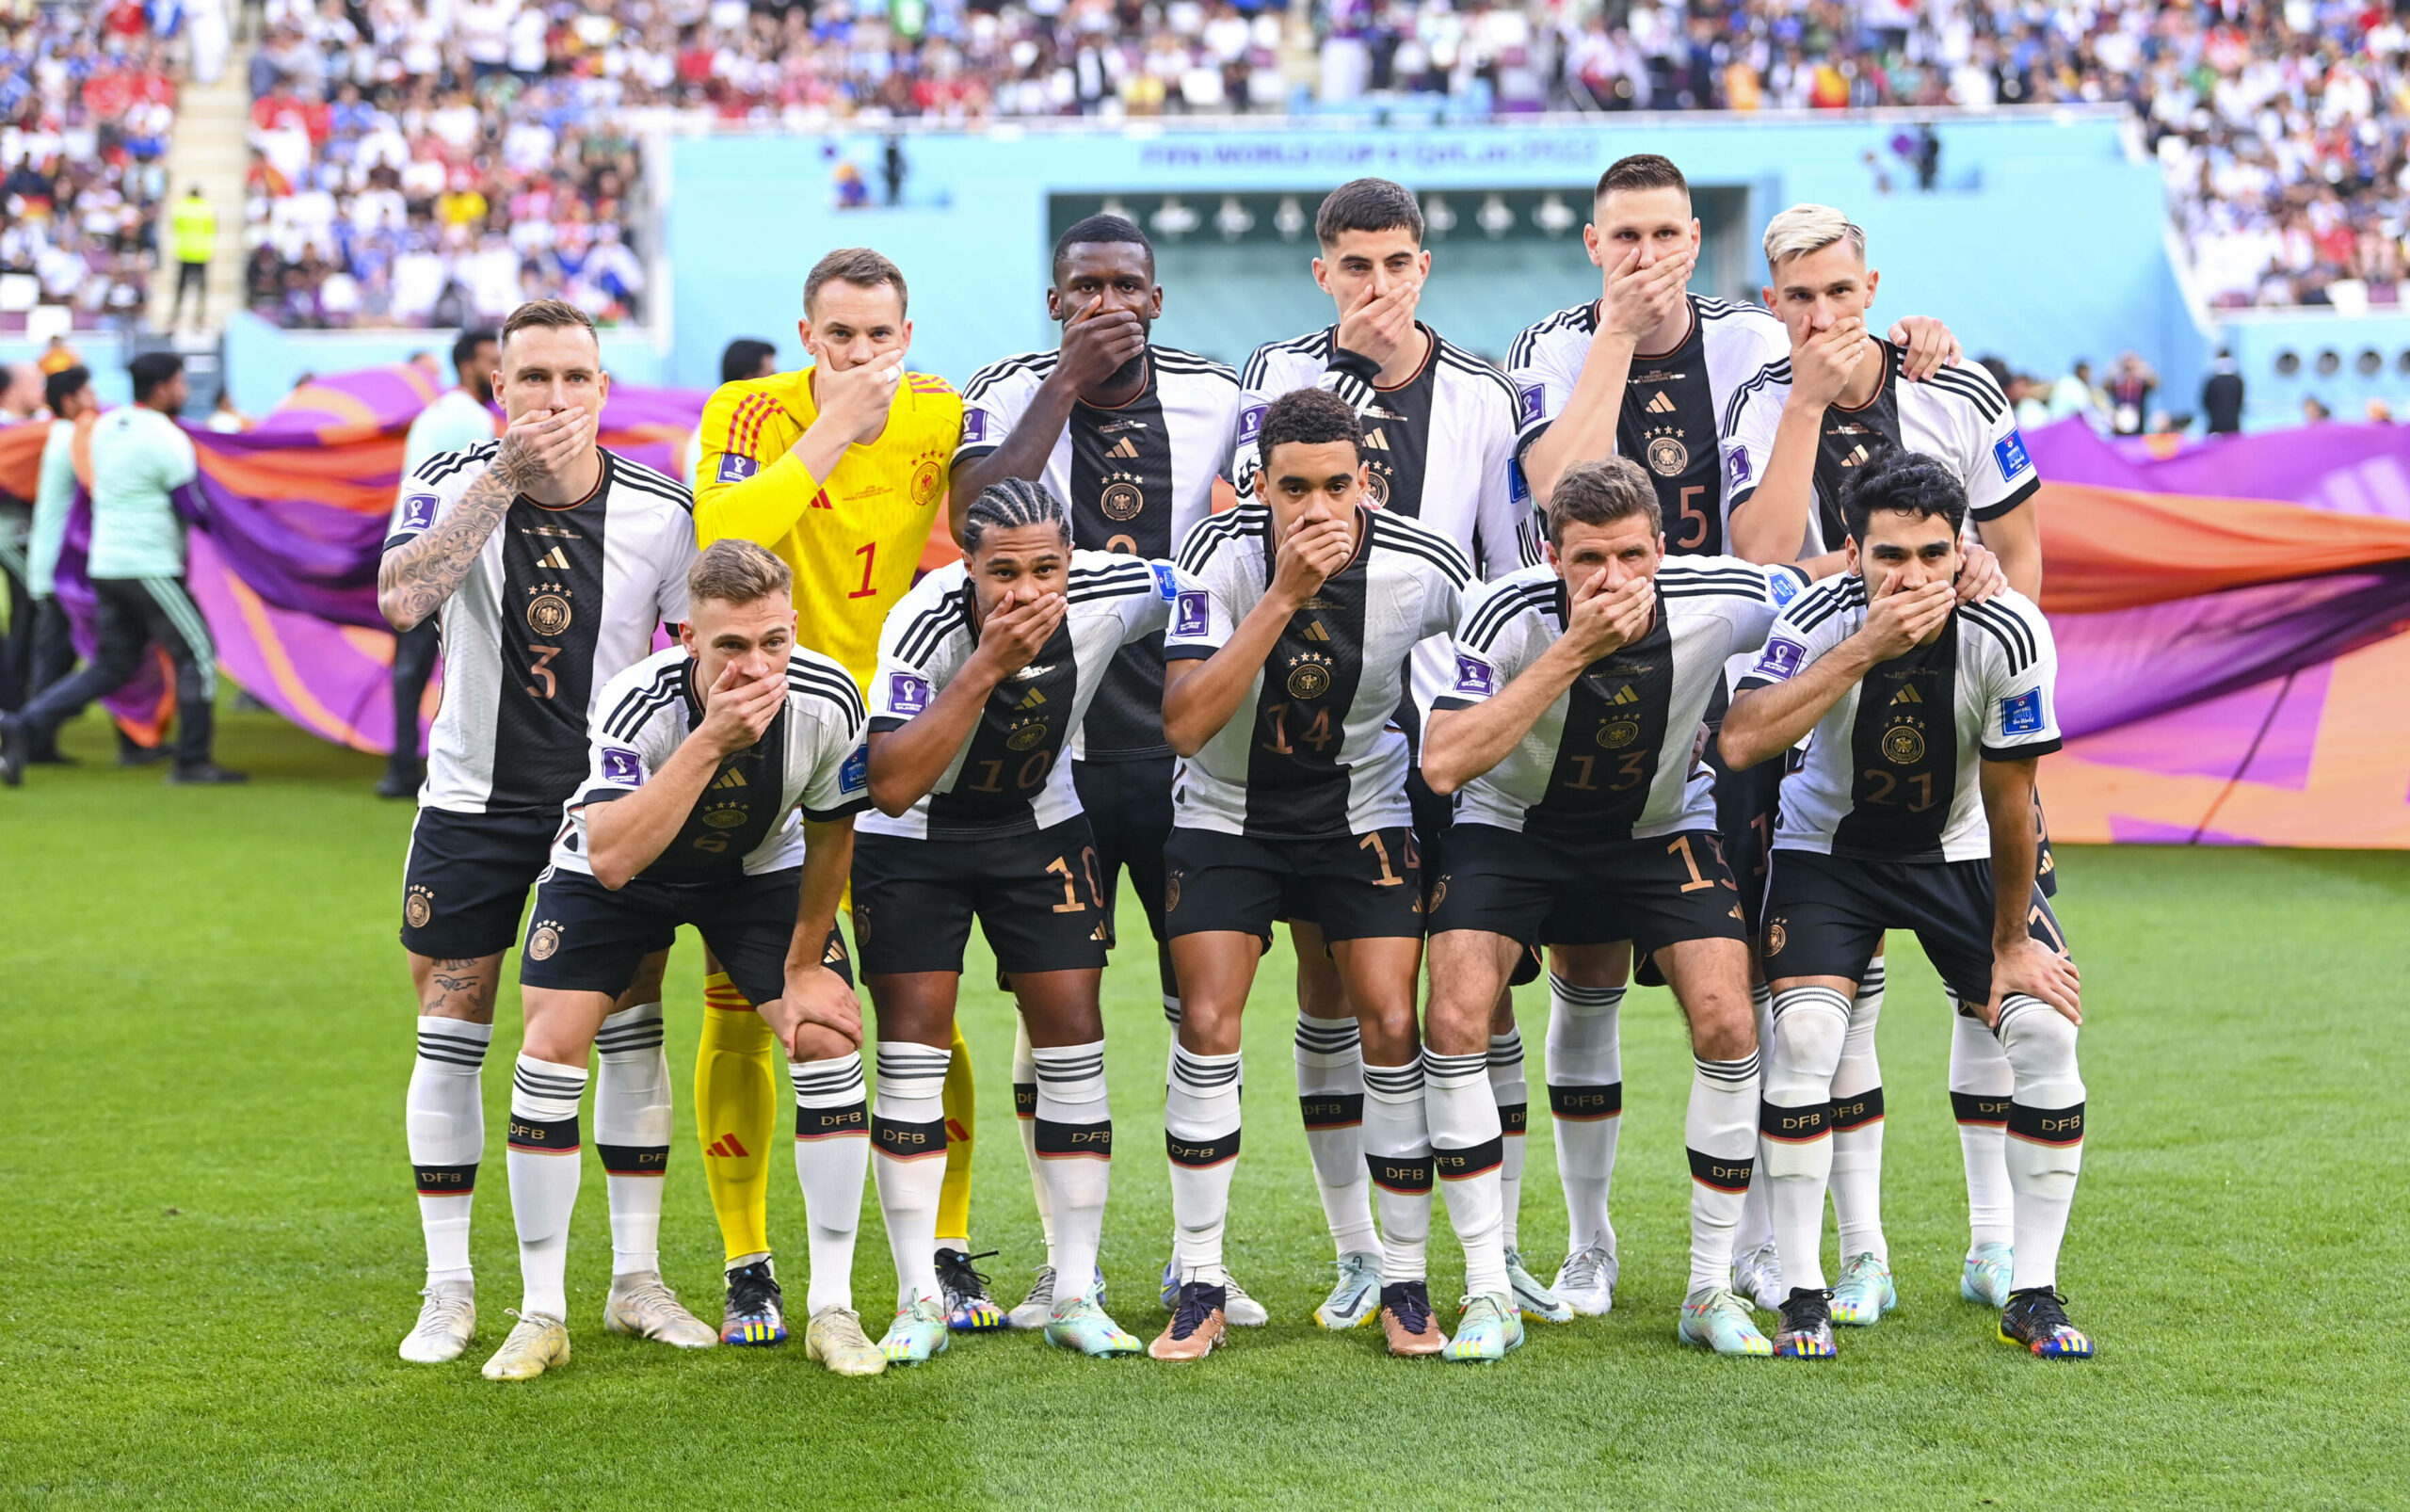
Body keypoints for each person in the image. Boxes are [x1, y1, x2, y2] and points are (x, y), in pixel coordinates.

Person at [1509, 156, 1962, 1317]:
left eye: (1665, 234)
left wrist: (1908, 340)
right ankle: (1590, 1243)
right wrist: (1618, 337)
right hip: (1597, 672)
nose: (1646, 256)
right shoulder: (1551, 345)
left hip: (1741, 678)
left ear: (1694, 238)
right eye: (1624, 236)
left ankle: (1765, 1241)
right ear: (1592, 245)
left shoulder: (1756, 340)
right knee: (1585, 967)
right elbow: (1557, 487)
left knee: (1764, 970)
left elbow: (1828, 399)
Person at [1237, 178, 1548, 1327]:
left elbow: (1507, 560)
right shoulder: (1274, 377)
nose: (1378, 285)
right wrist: (1347, 378)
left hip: (1447, 728)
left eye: (1397, 263)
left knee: (1476, 988)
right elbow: (1236, 521)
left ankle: (1496, 1246)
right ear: (1322, 272)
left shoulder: (1483, 393)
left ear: (1425, 266)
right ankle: (1358, 1248)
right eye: (1355, 266)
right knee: (1333, 980)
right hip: (1317, 728)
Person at [1721, 202, 2039, 1316]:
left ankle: (1994, 1244)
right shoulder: (1759, 402)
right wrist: (1807, 405)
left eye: (1839, 291)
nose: (1821, 315)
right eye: (1799, 298)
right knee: (1828, 1006)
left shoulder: (1960, 387)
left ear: (1871, 287)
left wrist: (1999, 663)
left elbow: (2019, 547)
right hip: (1814, 721)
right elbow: (1762, 564)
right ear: (1773, 305)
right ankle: (1859, 1254)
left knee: (1991, 991)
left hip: (1958, 719)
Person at [376, 298, 706, 1367]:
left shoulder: (661, 508)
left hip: (603, 813)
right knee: (451, 1027)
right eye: (533, 378)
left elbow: (694, 662)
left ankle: (635, 1280)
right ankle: (448, 1289)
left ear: (603, 390)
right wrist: (502, 480)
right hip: (470, 805)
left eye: (574, 378)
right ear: (499, 388)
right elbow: (401, 602)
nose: (554, 398)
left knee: (631, 1023)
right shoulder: (450, 479)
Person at [1421, 454, 1802, 1359]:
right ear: (1552, 556)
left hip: (1658, 826)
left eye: (1631, 555)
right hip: (1512, 827)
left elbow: (1826, 597)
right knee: (1455, 1017)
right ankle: (1493, 1285)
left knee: (1728, 1020)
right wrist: (1573, 651)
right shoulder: (1505, 612)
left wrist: (1968, 570)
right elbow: (1443, 762)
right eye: (1588, 558)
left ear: (1662, 550)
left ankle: (1709, 1288)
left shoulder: (1720, 597)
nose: (1612, 578)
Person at [949, 213, 1255, 1328]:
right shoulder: (1006, 389)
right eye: (1085, 287)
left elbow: (1259, 525)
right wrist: (1065, 386)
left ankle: (1196, 1259)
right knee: (1052, 1009)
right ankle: (1058, 1261)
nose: (1107, 303)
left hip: (1179, 750)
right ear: (1055, 301)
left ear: (1157, 300)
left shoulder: (1216, 394)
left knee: (1198, 1006)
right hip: (1052, 754)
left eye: (1127, 285)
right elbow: (971, 519)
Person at [1719, 447, 2091, 1362]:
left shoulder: (2009, 629)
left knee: (2045, 1032)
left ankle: (2031, 1290)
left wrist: (2012, 942)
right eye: (1890, 556)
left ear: (1962, 549)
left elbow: (2012, 800)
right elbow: (1741, 740)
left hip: (1959, 852)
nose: (1914, 577)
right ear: (1852, 554)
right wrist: (1866, 647)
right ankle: (1804, 1293)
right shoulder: (1816, 618)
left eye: (1933, 554)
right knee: (1807, 1041)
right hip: (1829, 854)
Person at [479, 540, 874, 1382]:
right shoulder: (638, 701)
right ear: (687, 637)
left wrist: (806, 962)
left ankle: (832, 1310)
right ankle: (543, 1314)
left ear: (794, 628)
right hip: (621, 875)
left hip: (755, 874)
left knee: (829, 1039)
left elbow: (833, 834)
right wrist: (711, 740)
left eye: (773, 641)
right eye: (730, 646)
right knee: (549, 1051)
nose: (755, 665)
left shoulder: (831, 696)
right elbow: (613, 856)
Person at [690, 248, 980, 1343]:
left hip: (891, 743)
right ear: (807, 336)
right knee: (743, 1000)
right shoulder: (750, 410)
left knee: (917, 1002)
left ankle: (944, 1245)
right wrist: (831, 430)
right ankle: (747, 1262)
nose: (861, 354)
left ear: (908, 336)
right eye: (840, 336)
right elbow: (725, 538)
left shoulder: (940, 412)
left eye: (879, 336)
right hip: (762, 734)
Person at [1152, 389, 1469, 1362]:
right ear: (1260, 485)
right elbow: (1185, 724)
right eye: (1294, 488)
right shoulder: (1217, 557)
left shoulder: (1424, 563)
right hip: (1225, 813)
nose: (1317, 507)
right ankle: (1199, 1279)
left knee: (1392, 1022)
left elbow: (1504, 643)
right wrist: (1283, 595)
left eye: (1336, 485)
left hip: (1360, 814)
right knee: (1207, 1022)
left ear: (1366, 481)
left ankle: (1402, 1279)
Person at [855, 478, 1175, 1363]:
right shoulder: (923, 624)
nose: (1026, 591)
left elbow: (1209, 589)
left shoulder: (1116, 589)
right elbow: (891, 782)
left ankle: (1074, 1290)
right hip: (914, 840)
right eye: (1003, 572)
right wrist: (987, 664)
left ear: (1071, 559)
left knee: (1074, 1040)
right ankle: (919, 1299)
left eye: (1045, 569)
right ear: (968, 564)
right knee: (912, 1053)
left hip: (1038, 825)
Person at [2, 353, 244, 786]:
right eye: (181, 383)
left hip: (105, 564)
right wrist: (248, 529)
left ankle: (25, 724)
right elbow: (190, 505)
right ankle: (192, 761)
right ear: (163, 388)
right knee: (198, 652)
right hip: (148, 564)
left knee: (112, 664)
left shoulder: (106, 429)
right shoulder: (166, 437)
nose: (186, 391)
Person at [381, 328, 500, 800]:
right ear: (468, 365)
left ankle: (401, 764)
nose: (500, 371)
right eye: (491, 360)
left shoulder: (433, 413)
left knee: (410, 666)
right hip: (449, 556)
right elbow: (484, 493)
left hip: (408, 548)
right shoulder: (473, 418)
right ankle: (465, 766)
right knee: (471, 663)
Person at [16, 367, 101, 765]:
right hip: (60, 569)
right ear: (69, 401)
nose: (95, 400)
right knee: (56, 658)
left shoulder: (59, 435)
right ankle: (29, 739)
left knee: (58, 656)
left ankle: (34, 740)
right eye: (88, 393)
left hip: (54, 564)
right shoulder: (72, 438)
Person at [169, 185, 217, 328]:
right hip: (202, 252)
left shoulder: (181, 207)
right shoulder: (207, 208)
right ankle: (199, 318)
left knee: (181, 288)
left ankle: (175, 317)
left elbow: (176, 226)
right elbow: (212, 228)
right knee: (201, 289)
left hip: (185, 251)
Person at [2105, 352, 2156, 437]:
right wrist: (2115, 372)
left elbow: (2154, 384)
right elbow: (2106, 386)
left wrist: (2143, 371)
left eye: (2131, 369)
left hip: (2139, 427)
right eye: (2127, 369)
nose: (2129, 372)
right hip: (2119, 427)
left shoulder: (2141, 384)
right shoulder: (2118, 384)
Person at [2201, 350, 2244, 435]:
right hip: (2233, 424)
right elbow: (2239, 402)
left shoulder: (2212, 382)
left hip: (2215, 425)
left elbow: (2206, 402)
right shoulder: (2237, 381)